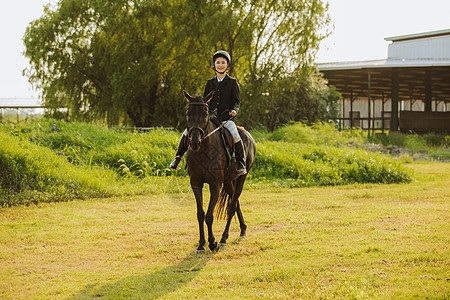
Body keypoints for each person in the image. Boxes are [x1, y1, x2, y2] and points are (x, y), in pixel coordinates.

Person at [169, 50, 246, 175]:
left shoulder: (232, 82)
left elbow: (236, 101)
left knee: (235, 134)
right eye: (218, 62)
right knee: (187, 131)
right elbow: (205, 100)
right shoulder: (210, 82)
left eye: (223, 63)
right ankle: (177, 158)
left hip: (226, 118)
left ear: (227, 65)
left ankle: (241, 163)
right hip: (209, 117)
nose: (220, 65)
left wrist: (234, 110)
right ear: (214, 65)